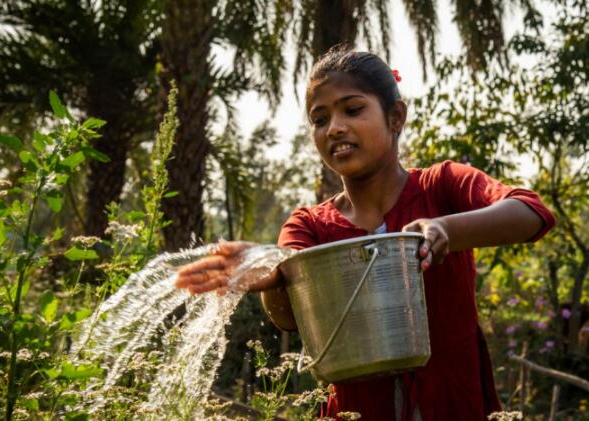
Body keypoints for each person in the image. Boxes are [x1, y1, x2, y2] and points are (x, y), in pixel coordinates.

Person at [175, 47, 555, 420]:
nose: (335, 127)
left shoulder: (443, 187)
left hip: (454, 405)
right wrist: (269, 272)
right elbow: (288, 316)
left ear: (396, 117)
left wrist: (445, 230)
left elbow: (531, 213)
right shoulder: (310, 224)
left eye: (353, 110)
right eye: (320, 119)